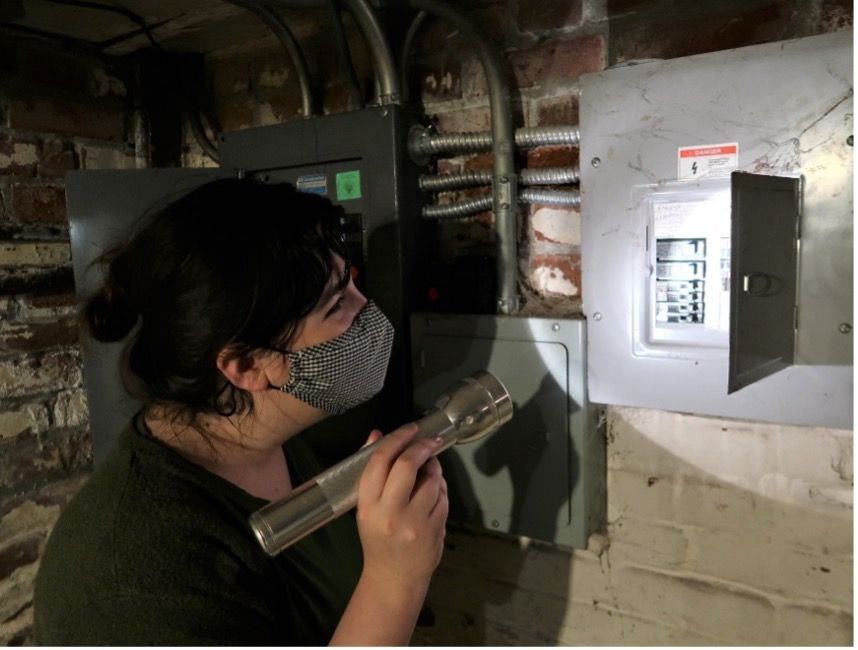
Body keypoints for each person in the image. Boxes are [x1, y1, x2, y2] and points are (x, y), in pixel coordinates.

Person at [33, 178, 448, 645]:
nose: (366, 308)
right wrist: (395, 581)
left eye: (351, 284)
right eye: (337, 305)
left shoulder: (278, 436)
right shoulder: (130, 579)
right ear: (247, 365)